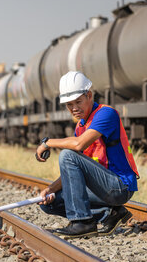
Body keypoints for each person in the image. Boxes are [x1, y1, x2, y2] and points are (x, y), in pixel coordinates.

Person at [35, 71, 139, 238]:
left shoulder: (106, 114)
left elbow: (78, 144)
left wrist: (47, 143)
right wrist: (50, 189)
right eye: (69, 104)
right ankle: (111, 214)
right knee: (50, 203)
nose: (74, 108)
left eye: (78, 102)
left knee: (67, 154)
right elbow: (73, 172)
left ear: (89, 95)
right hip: (101, 187)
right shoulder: (81, 127)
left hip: (119, 186)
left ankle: (83, 223)